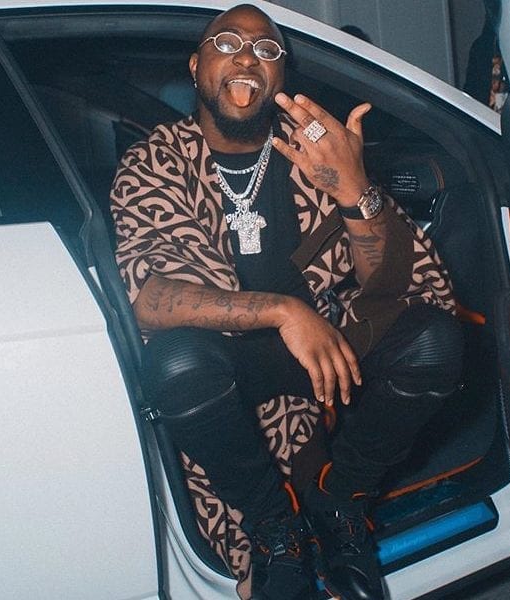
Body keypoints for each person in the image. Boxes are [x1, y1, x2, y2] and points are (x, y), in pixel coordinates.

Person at [111, 4, 463, 599]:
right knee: (177, 360)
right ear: (196, 66)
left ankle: (340, 499)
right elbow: (155, 297)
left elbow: (393, 283)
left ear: (281, 75)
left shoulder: (312, 155)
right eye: (228, 43)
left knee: (433, 342)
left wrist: (354, 189)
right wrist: (283, 311)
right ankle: (275, 526)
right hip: (228, 363)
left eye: (267, 49)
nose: (248, 57)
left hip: (325, 349)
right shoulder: (157, 161)